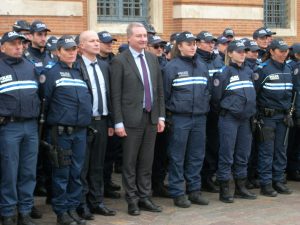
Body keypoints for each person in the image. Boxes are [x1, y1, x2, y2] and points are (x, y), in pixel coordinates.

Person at [110, 22, 165, 216]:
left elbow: (158, 90)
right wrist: (117, 122)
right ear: (129, 38)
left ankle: (145, 197)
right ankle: (132, 200)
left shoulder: (152, 58)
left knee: (146, 162)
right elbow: (115, 94)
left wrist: (161, 116)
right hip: (130, 121)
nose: (143, 39)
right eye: (139, 36)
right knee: (130, 163)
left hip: (150, 118)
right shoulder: (119, 61)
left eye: (145, 36)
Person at [42, 35, 92, 225]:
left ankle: (72, 208)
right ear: (58, 52)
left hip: (80, 132)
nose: (71, 53)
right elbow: (44, 103)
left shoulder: (80, 72)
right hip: (61, 133)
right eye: (67, 50)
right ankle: (61, 212)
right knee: (61, 174)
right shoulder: (52, 73)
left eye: (73, 49)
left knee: (76, 173)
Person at [163, 31, 210, 208]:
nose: (192, 46)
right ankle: (178, 192)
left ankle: (194, 191)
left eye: (194, 44)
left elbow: (207, 91)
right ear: (179, 46)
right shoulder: (171, 67)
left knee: (196, 155)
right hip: (179, 119)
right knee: (177, 157)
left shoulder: (201, 65)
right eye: (188, 44)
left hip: (199, 118)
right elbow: (165, 95)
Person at [0, 31, 40, 225]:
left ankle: (25, 211)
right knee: (9, 171)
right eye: (13, 43)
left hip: (31, 127)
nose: (18, 47)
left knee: (28, 171)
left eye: (20, 43)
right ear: (2, 47)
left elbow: (39, 95)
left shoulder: (30, 67)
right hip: (9, 127)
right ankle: (8, 212)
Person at [76, 30, 116, 219]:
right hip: (84, 123)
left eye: (97, 41)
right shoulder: (75, 66)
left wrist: (110, 121)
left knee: (98, 166)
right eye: (91, 41)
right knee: (82, 166)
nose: (96, 44)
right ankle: (82, 204)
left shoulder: (103, 66)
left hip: (102, 121)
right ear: (81, 46)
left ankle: (97, 201)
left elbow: (110, 95)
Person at [212, 40, 257, 203]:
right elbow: (216, 99)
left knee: (243, 154)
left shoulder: (248, 71)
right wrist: (229, 110)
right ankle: (224, 190)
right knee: (227, 154)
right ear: (229, 54)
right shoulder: (223, 72)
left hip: (245, 119)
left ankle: (240, 187)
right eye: (239, 51)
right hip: (229, 118)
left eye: (244, 51)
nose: (243, 54)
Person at [255, 38, 293, 197]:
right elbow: (255, 94)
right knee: (267, 151)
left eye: (286, 51)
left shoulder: (288, 69)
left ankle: (278, 180)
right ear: (272, 51)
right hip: (268, 118)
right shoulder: (263, 70)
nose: (284, 54)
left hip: (283, 117)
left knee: (280, 151)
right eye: (281, 51)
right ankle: (266, 183)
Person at [196, 31, 224, 193]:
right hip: (202, 110)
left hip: (216, 111)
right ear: (198, 43)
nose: (210, 44)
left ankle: (208, 177)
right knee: (200, 147)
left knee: (214, 145)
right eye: (207, 42)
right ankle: (198, 179)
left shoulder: (217, 59)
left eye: (212, 42)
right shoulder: (196, 60)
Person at [97, 30, 122, 199]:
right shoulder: (94, 62)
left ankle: (107, 182)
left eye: (110, 42)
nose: (109, 44)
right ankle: (100, 186)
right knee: (100, 156)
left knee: (111, 152)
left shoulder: (114, 60)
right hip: (100, 113)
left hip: (114, 111)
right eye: (106, 42)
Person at [146, 34, 169, 197]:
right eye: (156, 46)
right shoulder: (146, 64)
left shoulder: (166, 64)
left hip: (164, 114)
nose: (160, 49)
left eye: (162, 46)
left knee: (161, 153)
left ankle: (158, 184)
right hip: (148, 115)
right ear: (147, 47)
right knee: (147, 156)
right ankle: (146, 187)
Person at [285, 43, 300, 181]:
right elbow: (295, 91)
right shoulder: (293, 67)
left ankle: (294, 168)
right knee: (291, 143)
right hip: (294, 110)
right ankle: (290, 169)